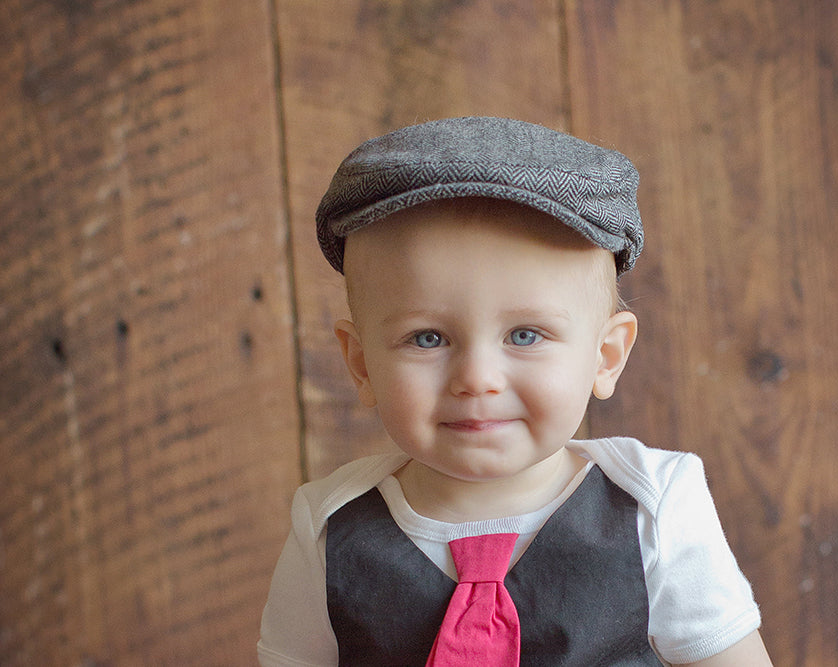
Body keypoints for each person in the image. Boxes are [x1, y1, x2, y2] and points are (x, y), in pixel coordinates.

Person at [258, 117, 772, 666]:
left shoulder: (654, 509)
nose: (477, 378)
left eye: (525, 335)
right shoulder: (329, 529)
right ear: (361, 364)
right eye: (427, 338)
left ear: (606, 356)